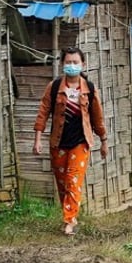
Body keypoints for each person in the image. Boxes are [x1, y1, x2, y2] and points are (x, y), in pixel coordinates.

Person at [32, 47, 108, 236]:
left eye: (75, 62)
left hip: (80, 143)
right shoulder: (55, 87)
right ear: (62, 64)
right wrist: (38, 139)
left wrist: (104, 141)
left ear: (83, 65)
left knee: (73, 180)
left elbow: (97, 117)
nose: (72, 66)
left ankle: (69, 220)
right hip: (58, 142)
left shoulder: (89, 89)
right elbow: (43, 113)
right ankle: (68, 214)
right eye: (68, 62)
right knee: (63, 183)